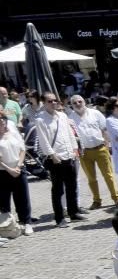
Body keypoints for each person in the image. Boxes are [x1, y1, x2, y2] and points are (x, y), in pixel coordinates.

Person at [33, 91, 86, 227]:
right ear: (43, 103)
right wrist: (52, 154)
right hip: (55, 158)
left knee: (72, 186)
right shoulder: (40, 119)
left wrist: (75, 149)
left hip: (69, 155)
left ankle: (73, 213)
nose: (53, 103)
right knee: (57, 190)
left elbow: (69, 134)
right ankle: (59, 218)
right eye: (49, 101)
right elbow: (43, 140)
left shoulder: (62, 116)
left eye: (55, 100)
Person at [67, 95, 118, 210]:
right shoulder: (70, 118)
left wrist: (108, 145)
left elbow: (105, 129)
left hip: (100, 148)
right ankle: (96, 200)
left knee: (109, 175)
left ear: (84, 101)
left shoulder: (95, 113)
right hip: (84, 152)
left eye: (80, 101)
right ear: (71, 105)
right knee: (91, 178)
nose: (77, 104)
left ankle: (116, 198)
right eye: (74, 103)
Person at [0, 117, 32, 235]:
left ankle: (26, 222)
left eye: (3, 118)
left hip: (19, 168)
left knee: (23, 198)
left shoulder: (13, 132)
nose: (2, 121)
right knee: (4, 200)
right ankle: (7, 226)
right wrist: (9, 170)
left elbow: (22, 149)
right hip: (3, 171)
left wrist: (18, 166)